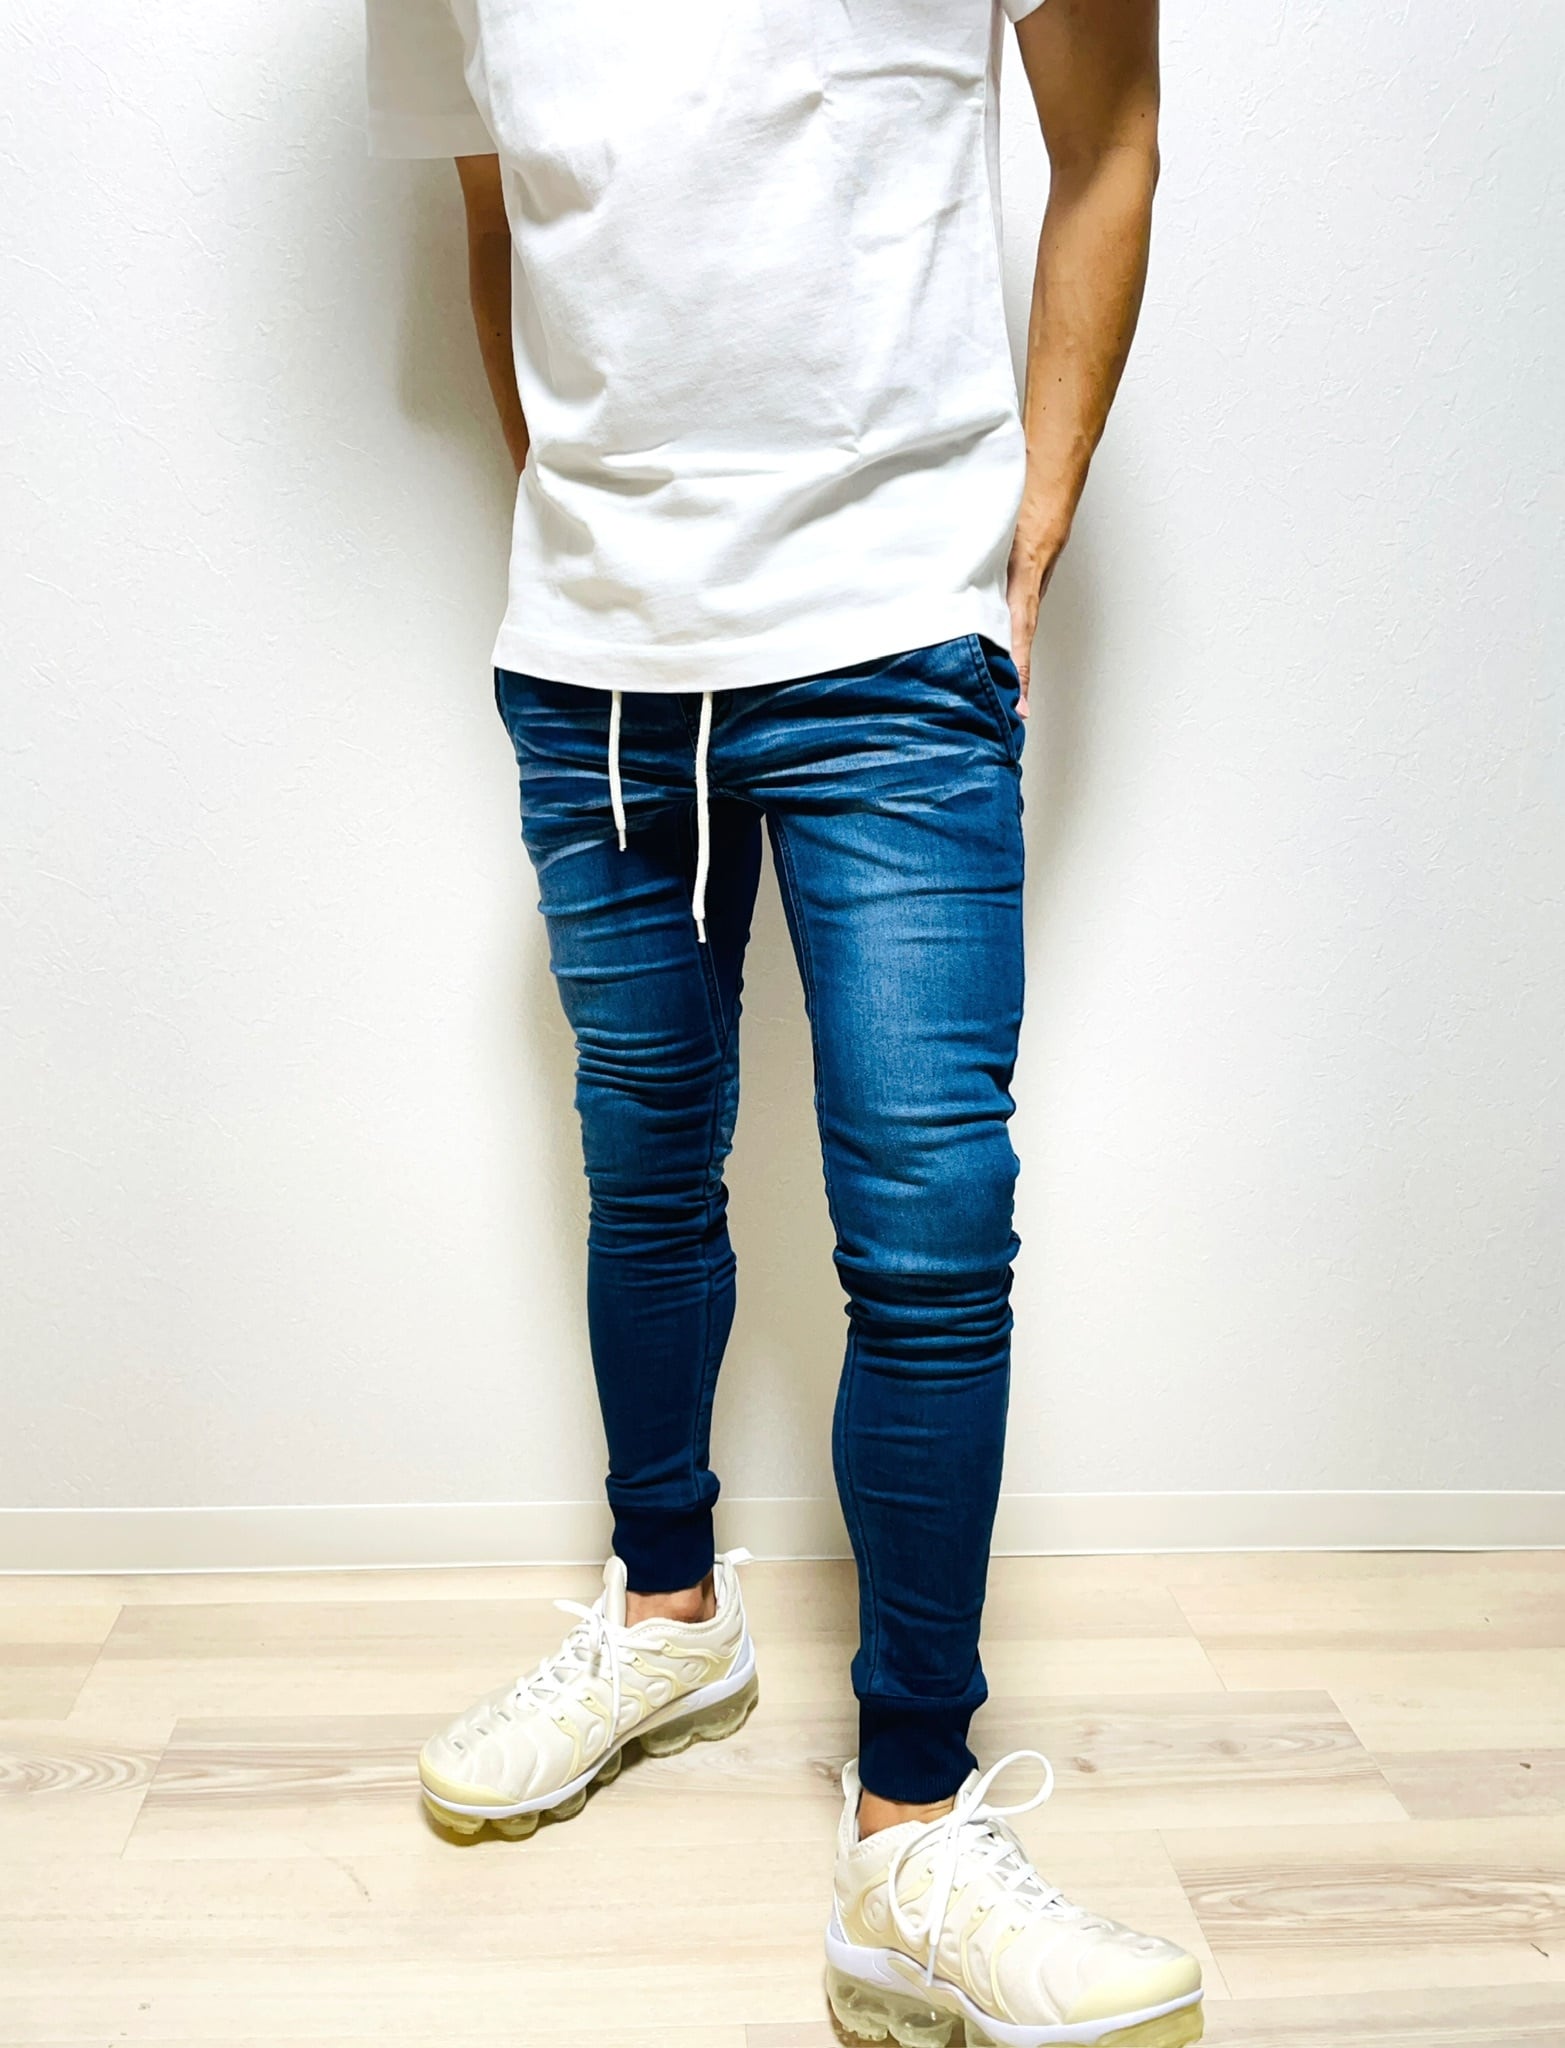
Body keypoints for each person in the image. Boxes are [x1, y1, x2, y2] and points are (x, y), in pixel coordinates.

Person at [366, 2, 1201, 2040]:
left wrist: (1026, 536)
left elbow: (1109, 139)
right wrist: (594, 561)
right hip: (593, 672)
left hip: (897, 643)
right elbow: (502, 218)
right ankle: (671, 1619)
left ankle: (908, 1830)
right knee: (645, 1161)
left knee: (928, 1232)